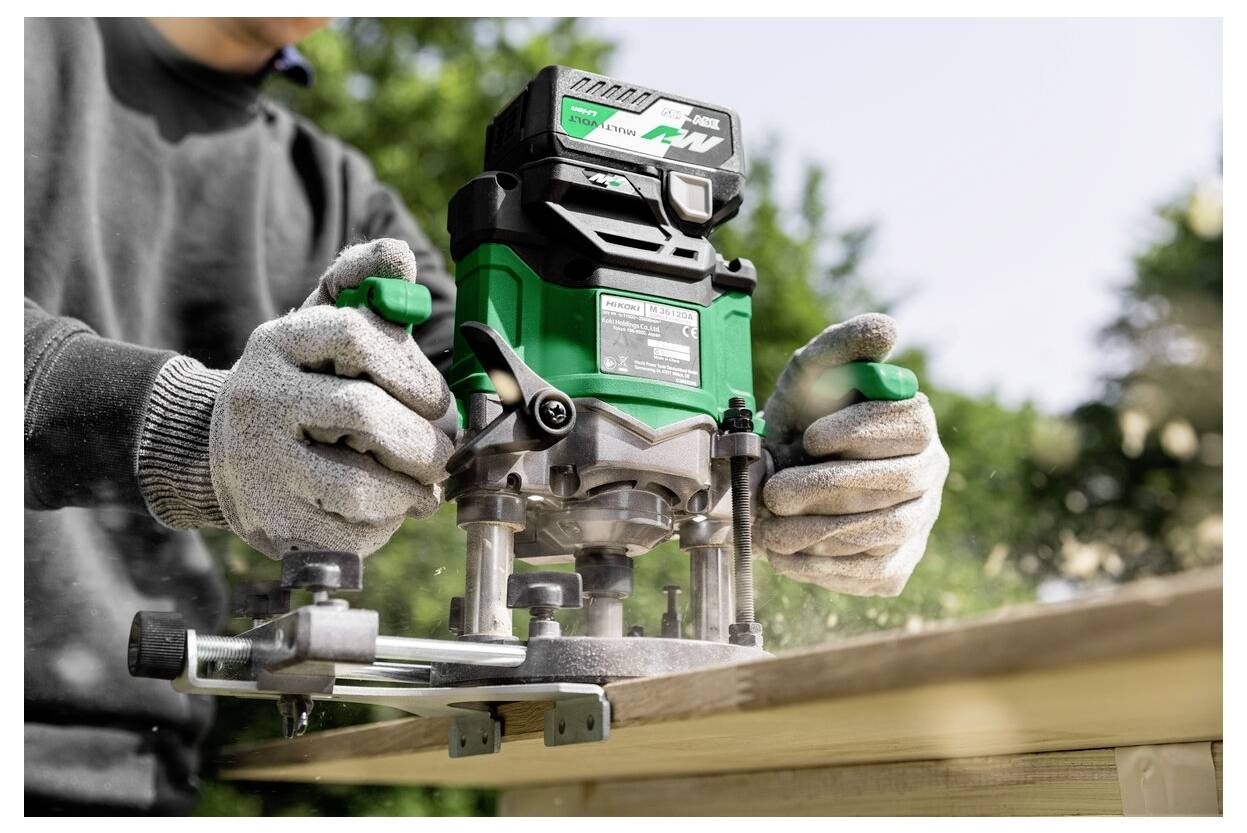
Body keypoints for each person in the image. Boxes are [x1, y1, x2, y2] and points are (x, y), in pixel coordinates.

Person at [23, 17, 948, 815]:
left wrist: (776, 474)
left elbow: (471, 408)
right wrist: (182, 426)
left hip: (143, 773)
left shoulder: (332, 188)